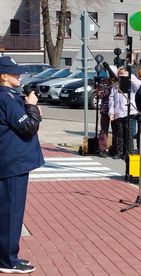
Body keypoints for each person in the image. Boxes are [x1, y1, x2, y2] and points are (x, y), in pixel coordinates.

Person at [0, 55, 44, 274]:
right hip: (13, 163)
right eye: (14, 72)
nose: (19, 75)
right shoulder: (6, 98)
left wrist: (30, 110)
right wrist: (33, 108)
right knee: (11, 212)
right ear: (4, 76)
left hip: (9, 161)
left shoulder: (8, 96)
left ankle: (7, 255)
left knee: (8, 210)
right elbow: (28, 128)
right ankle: (8, 260)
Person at [109, 66, 141, 159]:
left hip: (129, 111)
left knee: (129, 132)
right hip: (118, 112)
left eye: (123, 74)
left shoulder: (132, 84)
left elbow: (139, 85)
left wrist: (130, 77)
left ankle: (129, 151)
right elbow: (112, 99)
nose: (121, 77)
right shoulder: (116, 85)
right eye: (120, 75)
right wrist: (111, 112)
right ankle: (121, 151)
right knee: (120, 133)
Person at [97, 68, 116, 158]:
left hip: (116, 110)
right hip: (105, 109)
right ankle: (102, 149)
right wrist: (109, 89)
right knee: (104, 129)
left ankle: (115, 148)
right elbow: (100, 94)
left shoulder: (118, 82)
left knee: (116, 130)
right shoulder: (103, 82)